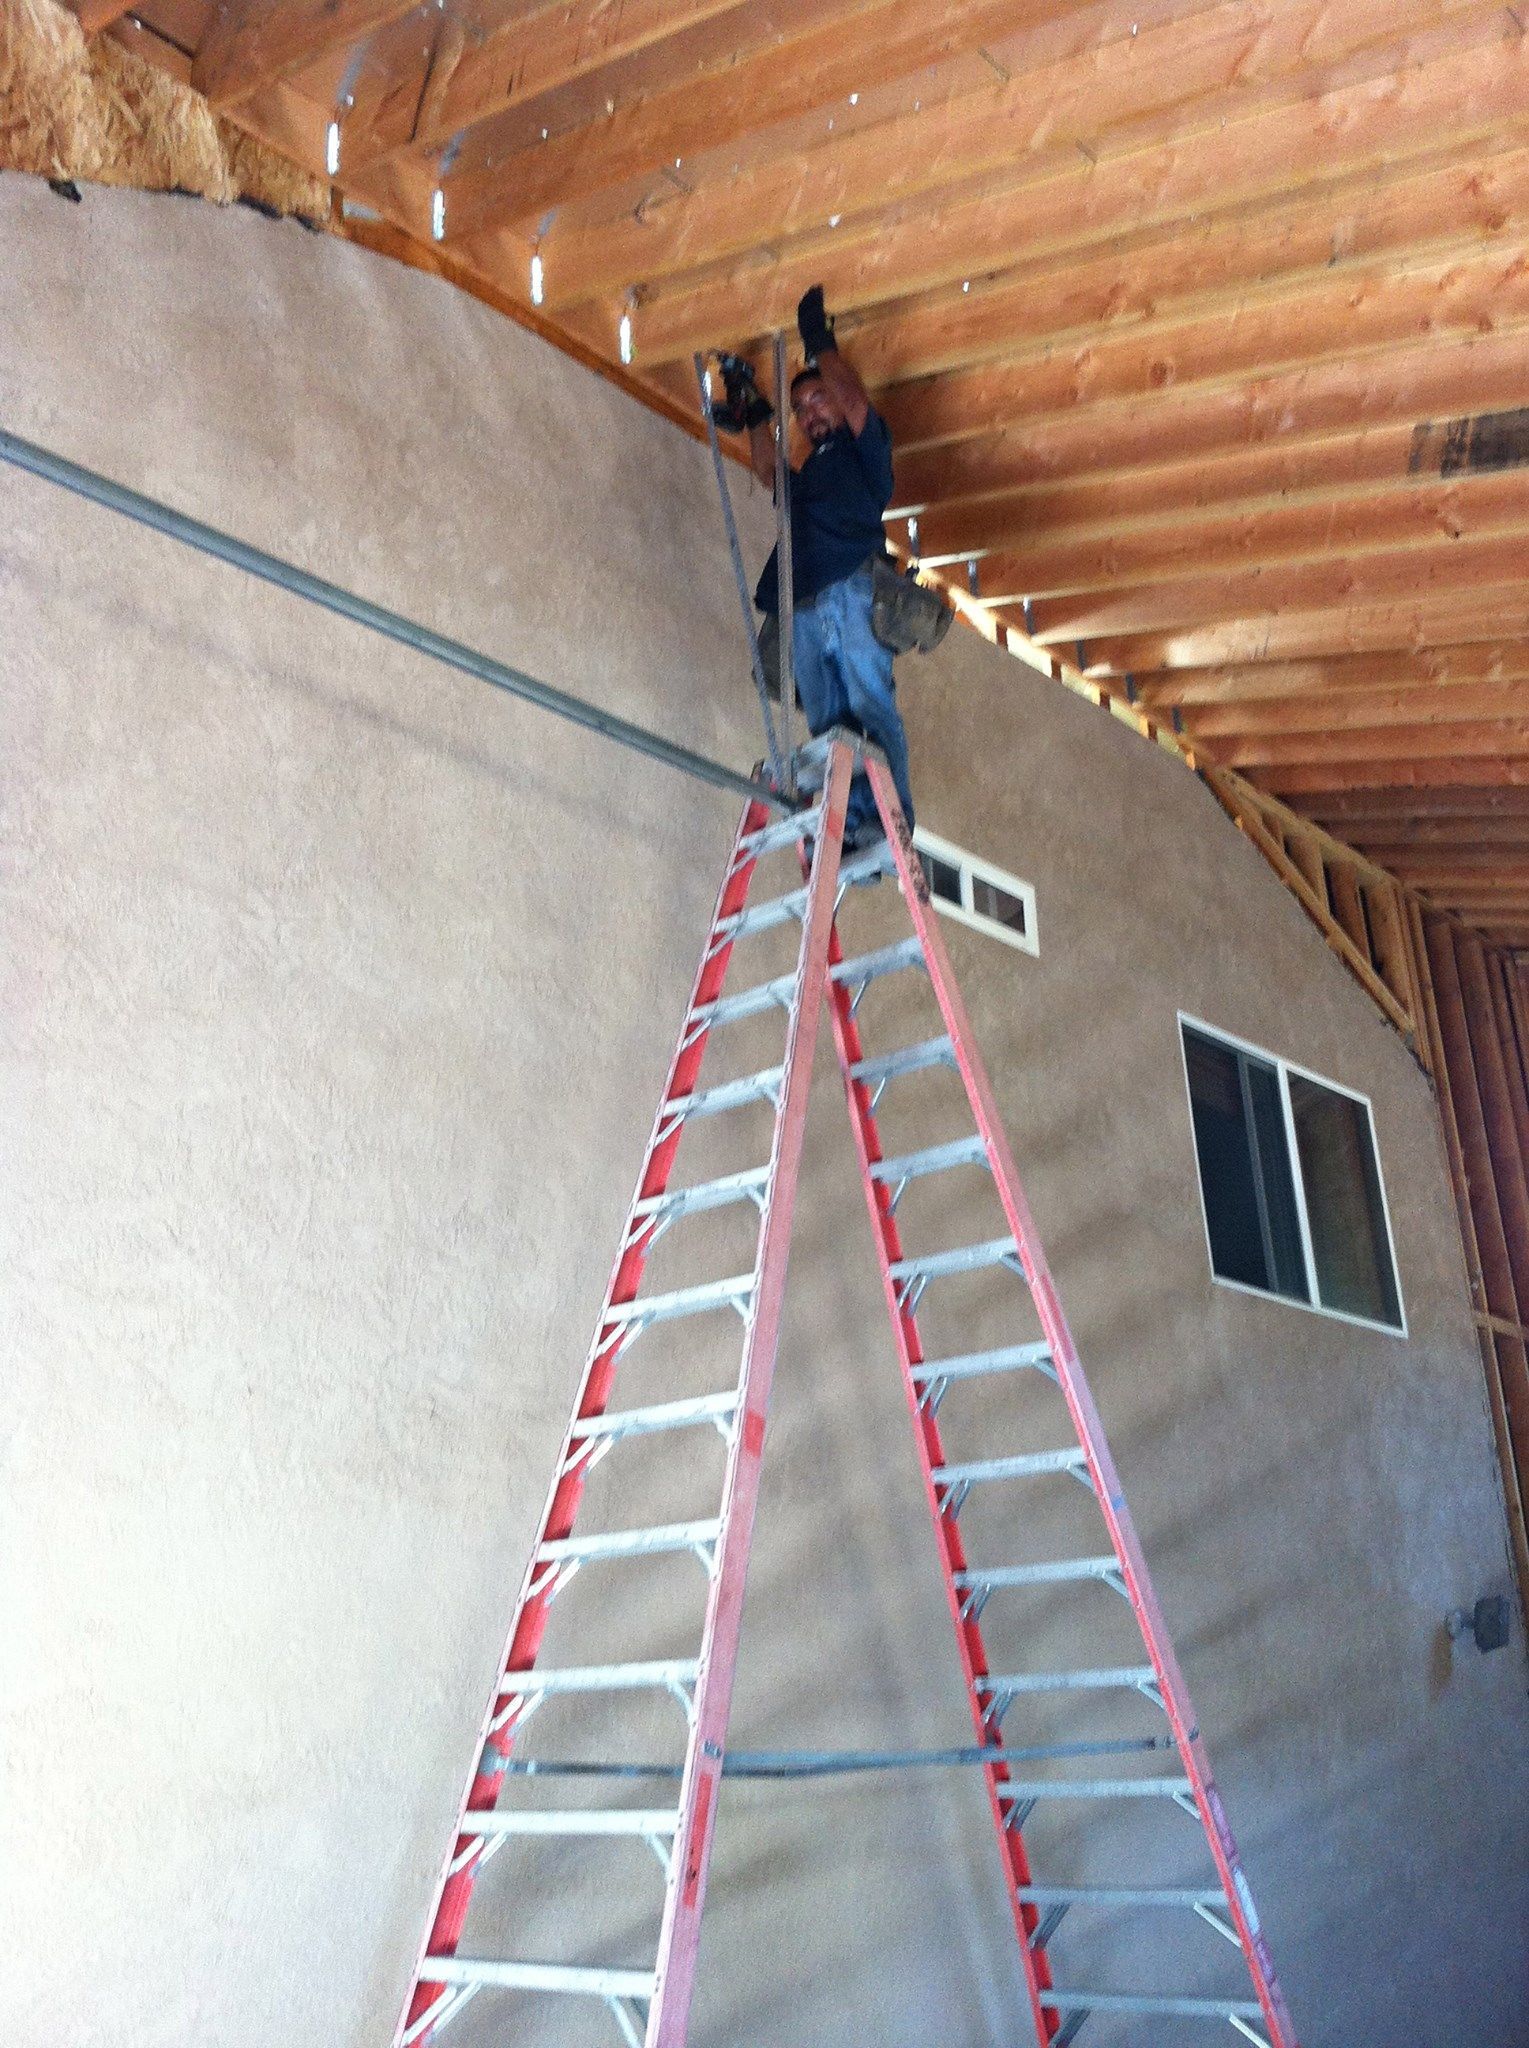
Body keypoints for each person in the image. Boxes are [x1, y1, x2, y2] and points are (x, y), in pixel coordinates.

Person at [715, 286, 916, 847]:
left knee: (870, 705)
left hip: (853, 589)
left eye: (816, 400)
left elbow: (854, 403)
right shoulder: (807, 485)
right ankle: (849, 826)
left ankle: (887, 822)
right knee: (829, 725)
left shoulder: (865, 455)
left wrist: (818, 341)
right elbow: (766, 470)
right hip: (800, 603)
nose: (809, 413)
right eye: (800, 410)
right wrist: (754, 406)